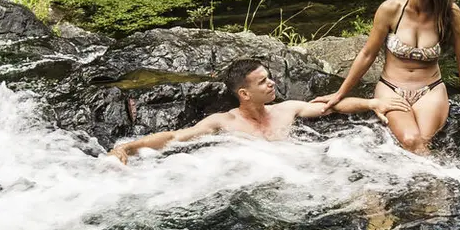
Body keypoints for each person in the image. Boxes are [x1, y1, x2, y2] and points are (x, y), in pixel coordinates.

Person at [311, 0, 460, 155]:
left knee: (423, 142)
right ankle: (441, 175)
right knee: (411, 140)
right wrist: (340, 94)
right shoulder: (390, 9)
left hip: (430, 90)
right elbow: (367, 54)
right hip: (392, 89)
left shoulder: (449, 13)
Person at [107, 57, 404, 162]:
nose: (272, 83)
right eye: (263, 82)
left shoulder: (286, 109)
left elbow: (331, 107)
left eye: (269, 77)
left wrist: (371, 103)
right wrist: (127, 147)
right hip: (256, 182)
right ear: (244, 93)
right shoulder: (223, 122)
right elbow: (175, 137)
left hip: (302, 172)